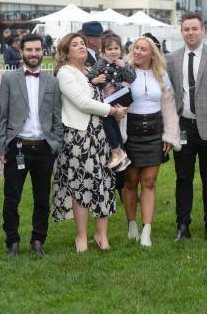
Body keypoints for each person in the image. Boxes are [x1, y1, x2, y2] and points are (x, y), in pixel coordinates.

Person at [52, 33, 126, 252]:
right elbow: (83, 103)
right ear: (66, 52)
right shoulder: (65, 73)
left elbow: (106, 94)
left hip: (101, 136)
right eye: (75, 45)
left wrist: (120, 104)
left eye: (82, 43)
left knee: (103, 184)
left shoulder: (90, 71)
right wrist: (112, 111)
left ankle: (102, 236)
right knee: (81, 186)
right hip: (78, 137)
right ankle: (81, 237)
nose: (81, 47)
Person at [0, 34, 63, 258]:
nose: (33, 53)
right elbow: (2, 115)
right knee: (12, 198)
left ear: (43, 51)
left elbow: (56, 117)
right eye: (29, 50)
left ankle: (38, 240)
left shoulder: (52, 81)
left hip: (44, 148)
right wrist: (1, 147)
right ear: (21, 51)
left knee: (42, 198)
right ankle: (12, 242)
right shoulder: (9, 79)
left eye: (37, 49)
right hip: (17, 148)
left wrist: (56, 144)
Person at [166, 12, 207, 242]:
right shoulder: (171, 58)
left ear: (203, 30)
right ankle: (183, 225)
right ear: (181, 31)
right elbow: (169, 96)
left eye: (194, 28)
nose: (190, 33)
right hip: (183, 126)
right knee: (183, 178)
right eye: (186, 29)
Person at [122, 36, 180, 247]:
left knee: (149, 182)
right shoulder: (125, 71)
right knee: (130, 181)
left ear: (152, 53)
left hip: (154, 132)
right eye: (135, 48)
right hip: (130, 132)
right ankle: (132, 225)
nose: (137, 52)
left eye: (143, 49)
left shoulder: (161, 74)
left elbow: (169, 106)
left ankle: (147, 230)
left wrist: (170, 135)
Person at [87, 33, 136, 170]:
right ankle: (120, 153)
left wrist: (124, 66)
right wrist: (95, 80)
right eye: (109, 49)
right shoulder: (100, 64)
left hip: (121, 97)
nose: (113, 52)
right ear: (103, 51)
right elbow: (90, 77)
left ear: (121, 49)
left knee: (111, 123)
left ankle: (117, 151)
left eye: (116, 48)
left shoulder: (124, 63)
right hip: (107, 99)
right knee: (111, 122)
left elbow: (132, 78)